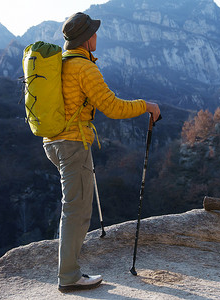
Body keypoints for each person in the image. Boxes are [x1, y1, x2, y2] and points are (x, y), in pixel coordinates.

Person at [43, 12, 160, 292]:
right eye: (94, 33)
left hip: (53, 142)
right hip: (72, 144)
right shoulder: (84, 68)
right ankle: (69, 276)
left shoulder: (59, 63)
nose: (97, 36)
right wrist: (146, 105)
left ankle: (69, 272)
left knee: (75, 203)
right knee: (76, 209)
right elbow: (113, 107)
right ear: (86, 39)